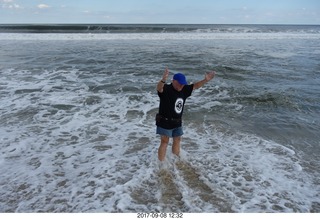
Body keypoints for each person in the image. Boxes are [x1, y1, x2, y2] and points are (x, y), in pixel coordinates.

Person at [156, 67, 215, 161]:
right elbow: (159, 88)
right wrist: (163, 80)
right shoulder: (166, 88)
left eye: (183, 84)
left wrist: (205, 80)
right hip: (165, 121)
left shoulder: (184, 89)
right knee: (164, 142)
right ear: (174, 81)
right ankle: (161, 164)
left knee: (177, 140)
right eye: (179, 83)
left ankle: (175, 160)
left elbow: (195, 86)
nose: (181, 86)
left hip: (177, 122)